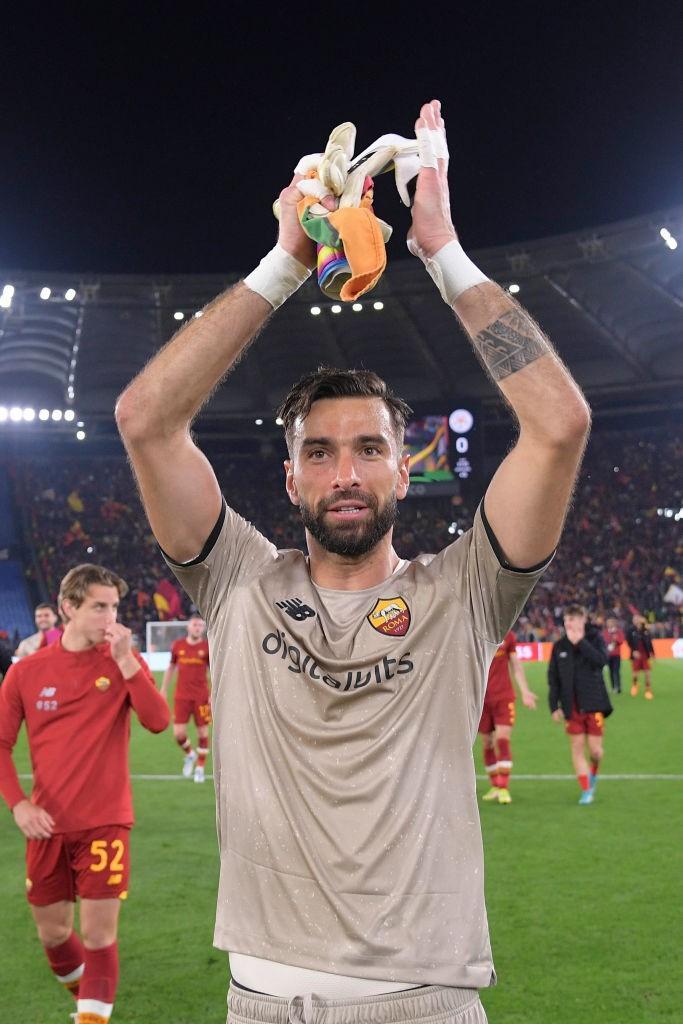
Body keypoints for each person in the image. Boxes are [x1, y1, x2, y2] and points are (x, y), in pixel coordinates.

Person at [116, 99, 590, 1024]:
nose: (345, 472)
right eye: (321, 452)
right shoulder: (238, 583)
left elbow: (559, 423)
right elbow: (145, 420)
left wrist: (443, 253)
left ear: (401, 474)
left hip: (422, 1002)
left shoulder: (464, 594)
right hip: (258, 1001)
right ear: (290, 478)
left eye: (369, 449)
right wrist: (286, 262)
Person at [0, 564, 169, 1024]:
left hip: (105, 821)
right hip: (47, 823)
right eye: (99, 607)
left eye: (113, 606)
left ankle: (92, 1014)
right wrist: (19, 804)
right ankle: (91, 997)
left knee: (98, 937)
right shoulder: (26, 673)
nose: (110, 617)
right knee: (54, 934)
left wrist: (128, 661)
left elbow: (158, 721)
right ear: (68, 607)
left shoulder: (119, 665)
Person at [548, 604, 611, 805]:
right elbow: (554, 678)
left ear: (583, 619)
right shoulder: (559, 647)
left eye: (573, 619)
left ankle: (593, 771)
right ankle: (586, 790)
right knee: (576, 748)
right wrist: (554, 706)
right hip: (571, 707)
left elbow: (601, 661)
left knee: (595, 752)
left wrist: (581, 643)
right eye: (566, 620)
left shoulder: (594, 639)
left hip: (594, 703)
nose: (569, 623)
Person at [479, 630, 537, 805]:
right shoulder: (476, 631)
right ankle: (495, 785)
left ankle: (503, 787)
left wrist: (525, 691)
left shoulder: (508, 635)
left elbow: (516, 665)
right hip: (482, 699)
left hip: (504, 697)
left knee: (502, 739)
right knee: (487, 742)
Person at [160, 613, 211, 782]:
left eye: (200, 625)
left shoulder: (207, 647)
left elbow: (214, 672)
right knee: (179, 733)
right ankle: (190, 754)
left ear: (203, 629)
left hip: (201, 697)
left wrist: (213, 694)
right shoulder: (178, 646)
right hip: (181, 696)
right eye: (194, 625)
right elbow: (171, 667)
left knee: (203, 733)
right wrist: (163, 689)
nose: (197, 628)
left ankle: (200, 768)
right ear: (188, 627)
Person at [626, 614, 655, 698]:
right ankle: (635, 685)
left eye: (638, 620)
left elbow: (649, 643)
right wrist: (633, 651)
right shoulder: (631, 630)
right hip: (636, 655)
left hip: (645, 654)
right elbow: (629, 642)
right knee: (635, 672)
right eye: (635, 620)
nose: (637, 621)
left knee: (647, 673)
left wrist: (652, 653)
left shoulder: (645, 631)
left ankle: (648, 689)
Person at [603, 617, 625, 694]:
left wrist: (616, 641)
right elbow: (603, 641)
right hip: (608, 655)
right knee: (610, 671)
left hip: (616, 654)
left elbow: (621, 640)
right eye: (608, 623)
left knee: (616, 671)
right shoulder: (605, 632)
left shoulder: (618, 632)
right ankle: (613, 687)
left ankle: (618, 687)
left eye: (611, 623)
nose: (609, 624)